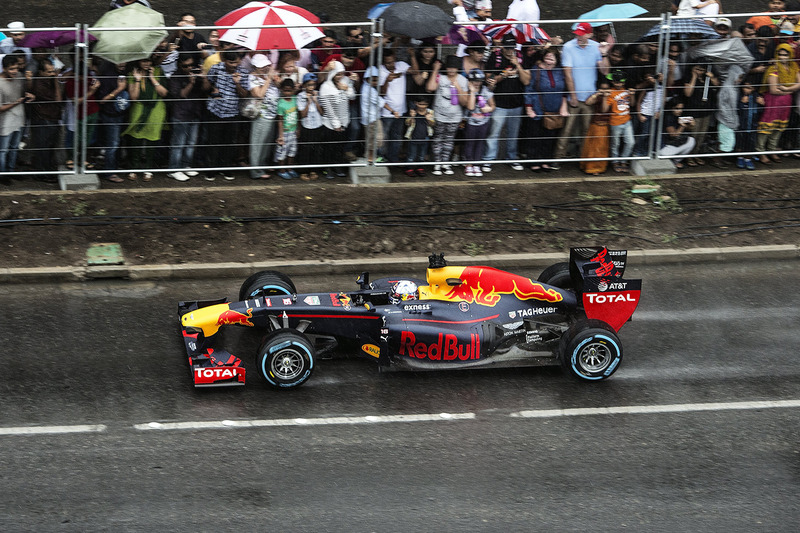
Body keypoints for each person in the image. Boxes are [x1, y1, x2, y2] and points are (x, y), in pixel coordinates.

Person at [554, 22, 609, 167]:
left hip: (590, 98)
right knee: (566, 130)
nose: (578, 36)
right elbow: (568, 73)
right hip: (574, 97)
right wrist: (572, 96)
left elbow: (605, 71)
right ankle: (558, 159)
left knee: (587, 131)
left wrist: (604, 54)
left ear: (589, 34)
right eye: (577, 33)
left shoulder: (596, 47)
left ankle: (584, 160)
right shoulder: (568, 47)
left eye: (581, 34)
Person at [482, 33, 530, 172]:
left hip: (516, 103)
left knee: (513, 133)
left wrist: (517, 66)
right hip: (499, 103)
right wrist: (504, 74)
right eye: (507, 48)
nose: (510, 51)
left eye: (512, 48)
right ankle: (488, 159)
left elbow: (526, 80)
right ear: (502, 46)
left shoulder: (521, 57)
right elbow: (489, 80)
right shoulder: (495, 57)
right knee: (494, 132)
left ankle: (512, 158)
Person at [203, 50, 250, 180]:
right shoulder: (216, 69)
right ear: (224, 61)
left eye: (236, 62)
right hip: (215, 111)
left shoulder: (243, 72)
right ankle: (211, 170)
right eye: (231, 62)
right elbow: (207, 86)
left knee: (230, 143)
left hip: (233, 113)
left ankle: (226, 169)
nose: (234, 65)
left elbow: (244, 95)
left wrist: (237, 83)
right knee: (213, 142)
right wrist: (212, 91)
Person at [122, 55, 168, 181]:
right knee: (135, 138)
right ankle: (134, 168)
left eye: (148, 61)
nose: (146, 63)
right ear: (138, 61)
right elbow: (134, 97)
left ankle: (148, 169)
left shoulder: (158, 71)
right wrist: (137, 80)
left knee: (152, 139)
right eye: (143, 61)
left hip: (156, 108)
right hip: (139, 108)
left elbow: (164, 93)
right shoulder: (133, 73)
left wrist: (152, 78)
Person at [524, 48, 567, 172]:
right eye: (547, 56)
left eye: (552, 57)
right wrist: (529, 108)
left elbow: (565, 90)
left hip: (555, 109)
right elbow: (529, 89)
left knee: (549, 137)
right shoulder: (536, 70)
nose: (549, 59)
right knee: (535, 136)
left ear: (557, 59)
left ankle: (545, 160)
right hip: (538, 107)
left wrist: (563, 106)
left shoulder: (560, 71)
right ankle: (533, 161)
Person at [756, 43, 800, 163]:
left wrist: (786, 89)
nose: (782, 57)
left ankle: (772, 150)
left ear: (790, 55)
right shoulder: (773, 68)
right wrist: (790, 89)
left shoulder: (794, 67)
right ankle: (760, 152)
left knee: (779, 128)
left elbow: (799, 83)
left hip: (786, 103)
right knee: (767, 127)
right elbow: (773, 89)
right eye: (780, 55)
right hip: (773, 102)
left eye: (785, 55)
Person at [166, 54, 207, 181]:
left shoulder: (196, 74)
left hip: (195, 113)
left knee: (191, 143)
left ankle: (185, 165)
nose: (189, 68)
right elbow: (180, 95)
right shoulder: (175, 77)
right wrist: (190, 83)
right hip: (181, 115)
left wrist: (204, 76)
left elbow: (206, 89)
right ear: (179, 65)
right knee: (178, 144)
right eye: (185, 66)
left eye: (191, 65)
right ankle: (173, 169)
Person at [427, 55, 468, 175]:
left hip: (454, 117)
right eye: (449, 67)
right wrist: (435, 70)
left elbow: (465, 102)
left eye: (453, 68)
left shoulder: (462, 80)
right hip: (439, 115)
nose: (451, 70)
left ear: (457, 68)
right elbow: (430, 87)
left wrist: (458, 87)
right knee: (438, 139)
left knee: (449, 140)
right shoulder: (441, 77)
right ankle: (437, 164)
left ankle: (446, 163)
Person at [94, 59, 129, 183]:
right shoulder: (107, 76)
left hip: (121, 114)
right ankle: (109, 172)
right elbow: (102, 99)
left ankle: (113, 167)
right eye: (120, 62)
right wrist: (119, 89)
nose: (122, 64)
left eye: (124, 62)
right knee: (112, 144)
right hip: (110, 115)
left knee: (117, 143)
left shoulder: (124, 73)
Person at [319, 61, 355, 177]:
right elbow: (327, 107)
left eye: (342, 74)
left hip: (345, 121)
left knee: (339, 146)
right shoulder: (325, 87)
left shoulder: (345, 82)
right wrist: (336, 124)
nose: (340, 76)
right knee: (329, 146)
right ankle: (328, 168)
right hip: (330, 124)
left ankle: (337, 166)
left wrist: (347, 88)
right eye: (338, 74)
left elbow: (352, 96)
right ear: (332, 73)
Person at [0, 54, 34, 176]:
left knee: (14, 148)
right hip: (4, 123)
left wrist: (28, 94)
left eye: (16, 68)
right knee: (3, 151)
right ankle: (3, 175)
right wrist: (17, 102)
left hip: (19, 120)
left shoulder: (19, 76)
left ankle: (11, 171)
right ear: (4, 69)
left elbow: (24, 91)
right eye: (11, 69)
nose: (15, 71)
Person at [27, 58, 63, 172]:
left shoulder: (49, 81)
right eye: (49, 72)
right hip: (43, 119)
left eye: (53, 71)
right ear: (41, 72)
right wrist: (56, 81)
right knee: (43, 147)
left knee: (51, 146)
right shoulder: (39, 84)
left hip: (52, 117)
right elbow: (58, 99)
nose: (52, 74)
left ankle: (48, 169)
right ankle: (42, 172)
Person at [247, 53, 278, 180]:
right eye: (261, 67)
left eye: (266, 65)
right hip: (261, 115)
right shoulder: (252, 77)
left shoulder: (269, 74)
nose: (264, 68)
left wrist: (274, 78)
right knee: (258, 143)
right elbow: (259, 94)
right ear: (255, 67)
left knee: (267, 143)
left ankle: (262, 166)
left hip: (272, 113)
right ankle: (255, 171)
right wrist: (269, 80)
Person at [378, 50, 410, 163]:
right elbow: (380, 94)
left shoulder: (401, 65)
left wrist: (412, 54)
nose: (391, 65)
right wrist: (387, 80)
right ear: (383, 62)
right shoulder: (380, 72)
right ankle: (381, 158)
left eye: (392, 62)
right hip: (386, 112)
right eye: (388, 63)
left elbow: (415, 71)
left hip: (401, 110)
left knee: (397, 136)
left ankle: (393, 159)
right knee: (384, 137)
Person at [463, 68, 495, 177]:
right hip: (471, 122)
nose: (477, 83)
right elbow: (471, 107)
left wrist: (489, 109)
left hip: (483, 121)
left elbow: (492, 105)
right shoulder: (467, 91)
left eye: (479, 81)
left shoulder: (485, 90)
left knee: (480, 143)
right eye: (474, 81)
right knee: (470, 143)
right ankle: (469, 164)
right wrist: (472, 92)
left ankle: (476, 164)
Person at [602, 69, 634, 173]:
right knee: (615, 144)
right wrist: (605, 97)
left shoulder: (627, 91)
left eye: (620, 82)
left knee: (631, 142)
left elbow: (632, 104)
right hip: (615, 122)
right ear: (612, 81)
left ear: (624, 82)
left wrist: (632, 95)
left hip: (627, 121)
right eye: (616, 82)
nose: (618, 84)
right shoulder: (611, 93)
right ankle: (615, 162)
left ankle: (623, 160)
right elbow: (604, 109)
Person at [361, 66, 394, 164]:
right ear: (367, 79)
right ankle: (370, 158)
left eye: (376, 80)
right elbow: (382, 103)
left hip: (370, 118)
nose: (375, 82)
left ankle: (370, 156)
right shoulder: (370, 91)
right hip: (372, 119)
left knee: (372, 139)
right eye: (373, 80)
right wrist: (393, 111)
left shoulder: (366, 87)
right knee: (376, 139)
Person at [296, 72, 324, 180]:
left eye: (313, 85)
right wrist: (308, 102)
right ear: (304, 86)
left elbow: (322, 112)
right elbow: (303, 114)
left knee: (316, 149)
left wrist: (316, 101)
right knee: (305, 149)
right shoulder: (300, 96)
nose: (311, 87)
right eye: (309, 85)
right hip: (306, 126)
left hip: (317, 125)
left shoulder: (318, 94)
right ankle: (303, 171)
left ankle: (313, 170)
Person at [659, 96, 696, 168]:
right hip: (664, 147)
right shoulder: (668, 117)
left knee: (691, 140)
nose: (680, 111)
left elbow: (689, 129)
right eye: (677, 108)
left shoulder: (680, 115)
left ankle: (675, 162)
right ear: (671, 108)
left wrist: (692, 125)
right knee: (664, 154)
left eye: (681, 108)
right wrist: (682, 126)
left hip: (675, 144)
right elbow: (673, 135)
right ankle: (670, 161)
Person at [274, 78, 299, 180]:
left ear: (293, 90)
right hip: (284, 132)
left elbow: (298, 116)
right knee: (282, 152)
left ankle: (289, 168)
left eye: (289, 90)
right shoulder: (281, 104)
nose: (287, 93)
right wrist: (281, 136)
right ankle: (282, 170)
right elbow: (279, 120)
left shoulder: (294, 99)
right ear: (281, 90)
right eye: (285, 90)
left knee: (292, 151)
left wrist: (298, 129)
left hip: (293, 131)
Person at [736, 78, 763, 170]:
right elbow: (736, 110)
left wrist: (762, 104)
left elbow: (760, 111)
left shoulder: (757, 97)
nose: (746, 89)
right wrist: (742, 103)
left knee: (750, 143)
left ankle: (748, 159)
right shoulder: (739, 96)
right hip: (741, 125)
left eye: (749, 88)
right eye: (745, 87)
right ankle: (740, 158)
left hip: (752, 125)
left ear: (754, 88)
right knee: (740, 143)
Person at [403, 96, 435, 176]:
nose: (422, 106)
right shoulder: (413, 112)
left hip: (425, 137)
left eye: (425, 104)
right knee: (411, 155)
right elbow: (407, 123)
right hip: (413, 137)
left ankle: (420, 168)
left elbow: (433, 124)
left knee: (422, 155)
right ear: (416, 103)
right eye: (420, 104)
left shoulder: (430, 112)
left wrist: (428, 119)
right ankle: (409, 168)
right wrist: (412, 117)